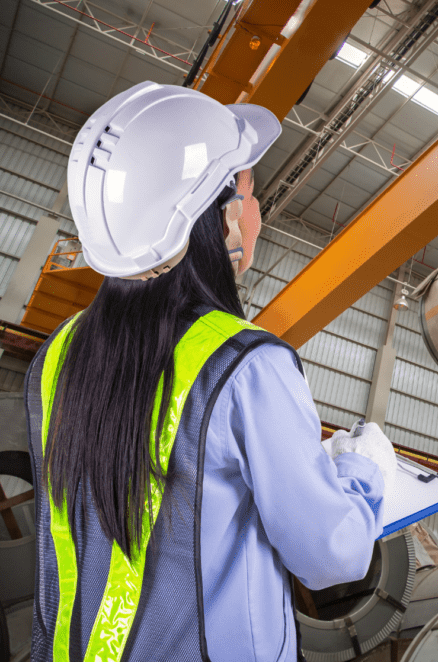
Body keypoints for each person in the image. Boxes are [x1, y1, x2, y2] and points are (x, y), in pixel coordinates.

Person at [23, 81, 397, 662]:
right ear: (218, 221)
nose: (254, 212)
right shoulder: (246, 365)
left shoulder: (56, 356)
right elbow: (331, 557)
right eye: (248, 192)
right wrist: (361, 471)